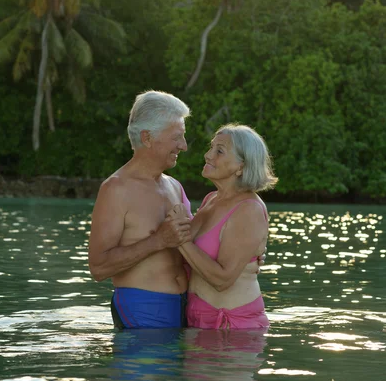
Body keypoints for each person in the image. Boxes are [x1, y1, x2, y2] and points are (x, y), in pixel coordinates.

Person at [88, 90, 193, 329]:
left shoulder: (174, 186)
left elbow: (191, 240)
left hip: (186, 307)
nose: (184, 146)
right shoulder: (116, 189)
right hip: (142, 309)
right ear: (147, 138)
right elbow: (98, 267)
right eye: (177, 137)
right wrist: (158, 240)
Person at [168, 124, 275, 330]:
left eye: (219, 151)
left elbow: (222, 279)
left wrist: (179, 237)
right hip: (197, 322)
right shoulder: (211, 199)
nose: (208, 155)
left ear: (241, 166)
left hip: (233, 327)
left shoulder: (248, 210)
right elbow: (188, 254)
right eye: (211, 147)